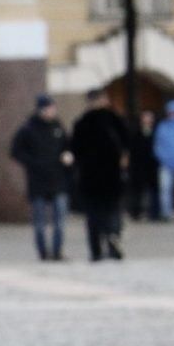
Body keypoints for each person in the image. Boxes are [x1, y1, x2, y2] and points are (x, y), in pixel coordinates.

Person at [8, 95, 72, 262]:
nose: (51, 111)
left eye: (52, 108)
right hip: (38, 181)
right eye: (48, 108)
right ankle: (43, 252)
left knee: (60, 220)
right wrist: (33, 163)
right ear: (41, 109)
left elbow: (67, 146)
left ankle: (57, 251)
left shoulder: (57, 126)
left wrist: (67, 157)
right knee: (40, 222)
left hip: (58, 179)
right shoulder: (28, 129)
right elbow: (15, 151)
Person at [69, 90, 128, 262]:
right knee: (113, 211)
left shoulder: (82, 123)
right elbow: (126, 144)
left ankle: (96, 250)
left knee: (93, 216)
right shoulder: (115, 120)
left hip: (90, 176)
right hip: (112, 176)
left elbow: (75, 149)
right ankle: (112, 238)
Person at [129, 110, 160, 222]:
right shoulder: (135, 131)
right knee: (137, 190)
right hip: (138, 165)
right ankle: (136, 212)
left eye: (149, 118)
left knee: (154, 190)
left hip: (153, 165)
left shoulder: (157, 131)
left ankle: (154, 213)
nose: (147, 120)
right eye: (145, 118)